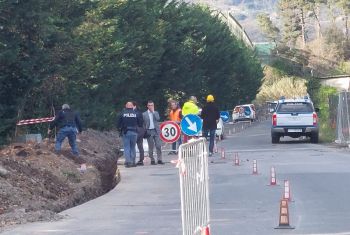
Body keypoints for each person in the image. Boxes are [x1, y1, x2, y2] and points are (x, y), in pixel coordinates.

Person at [117, 101, 143, 168]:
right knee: (133, 147)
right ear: (132, 106)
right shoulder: (136, 113)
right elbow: (140, 124)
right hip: (134, 132)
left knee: (127, 147)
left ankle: (128, 162)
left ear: (126, 106)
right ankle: (133, 162)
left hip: (126, 132)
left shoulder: (122, 113)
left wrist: (120, 129)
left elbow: (118, 124)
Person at [142, 100, 164, 165]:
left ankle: (159, 159)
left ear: (153, 106)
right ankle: (152, 160)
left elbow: (158, 119)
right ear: (147, 106)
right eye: (149, 105)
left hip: (156, 130)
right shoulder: (144, 114)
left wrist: (153, 112)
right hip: (149, 131)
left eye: (152, 105)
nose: (151, 106)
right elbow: (143, 123)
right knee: (151, 146)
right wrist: (145, 130)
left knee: (158, 145)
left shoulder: (156, 112)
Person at [132, 101, 146, 166]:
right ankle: (141, 160)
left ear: (134, 106)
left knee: (132, 146)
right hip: (141, 130)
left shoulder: (134, 113)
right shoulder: (139, 112)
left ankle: (133, 160)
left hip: (136, 130)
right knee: (140, 146)